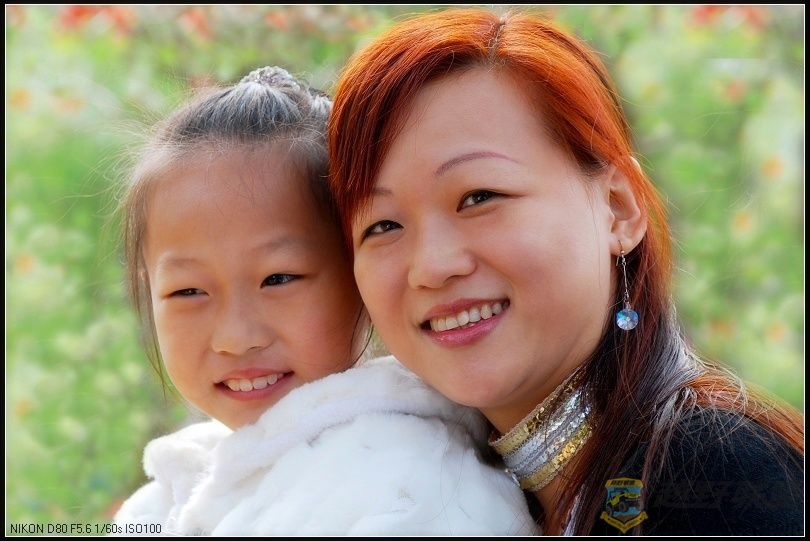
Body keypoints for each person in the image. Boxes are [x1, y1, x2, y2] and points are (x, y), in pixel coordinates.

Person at [327, 9, 804, 535]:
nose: (432, 267)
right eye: (383, 226)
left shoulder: (717, 480)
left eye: (480, 196)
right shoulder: (434, 499)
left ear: (618, 208)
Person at [112, 65, 537, 535]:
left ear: (360, 275)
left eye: (278, 279)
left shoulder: (413, 490)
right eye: (188, 291)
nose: (236, 337)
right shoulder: (169, 492)